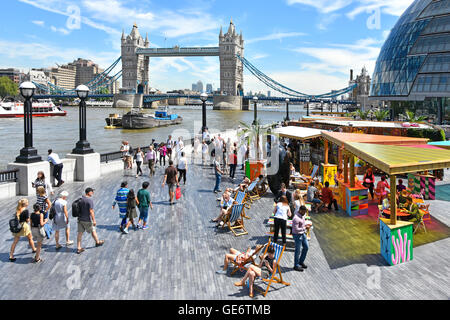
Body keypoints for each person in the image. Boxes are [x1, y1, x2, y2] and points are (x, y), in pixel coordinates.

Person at [76, 188, 104, 254]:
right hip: (87, 220)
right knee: (93, 230)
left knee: (80, 233)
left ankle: (78, 247)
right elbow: (91, 211)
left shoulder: (80, 199)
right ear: (88, 192)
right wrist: (94, 220)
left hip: (80, 219)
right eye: (92, 192)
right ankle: (97, 242)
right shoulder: (89, 200)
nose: (93, 193)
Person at [292, 205, 310, 272]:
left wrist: (305, 226)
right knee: (298, 250)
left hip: (302, 234)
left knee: (306, 247)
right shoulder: (296, 218)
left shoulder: (302, 215)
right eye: (304, 212)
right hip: (297, 235)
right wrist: (305, 228)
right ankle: (296, 265)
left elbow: (302, 225)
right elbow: (296, 229)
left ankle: (301, 261)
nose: (304, 213)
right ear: (300, 210)